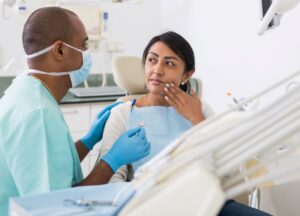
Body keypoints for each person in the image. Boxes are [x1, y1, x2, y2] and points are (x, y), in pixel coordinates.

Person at [98, 31, 272, 215]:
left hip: (207, 205)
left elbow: (228, 173)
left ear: (186, 75)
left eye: (170, 63)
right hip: (149, 206)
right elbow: (112, 182)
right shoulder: (123, 113)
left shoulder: (202, 110)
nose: (157, 69)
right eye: (152, 60)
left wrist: (198, 120)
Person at [0, 7, 150, 215]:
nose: (88, 53)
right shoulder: (38, 113)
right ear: (60, 50)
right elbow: (59, 206)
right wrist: (113, 160)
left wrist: (88, 141)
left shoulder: (28, 91)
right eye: (84, 45)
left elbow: (51, 166)